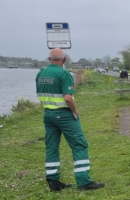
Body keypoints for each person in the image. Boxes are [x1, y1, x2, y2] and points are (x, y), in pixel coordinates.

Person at [36, 48, 105, 191]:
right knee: (79, 145)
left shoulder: (40, 73)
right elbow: (67, 97)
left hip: (48, 114)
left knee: (51, 147)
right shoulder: (64, 73)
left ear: (49, 59)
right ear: (64, 59)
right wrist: (75, 111)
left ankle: (53, 182)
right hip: (64, 115)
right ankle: (83, 181)